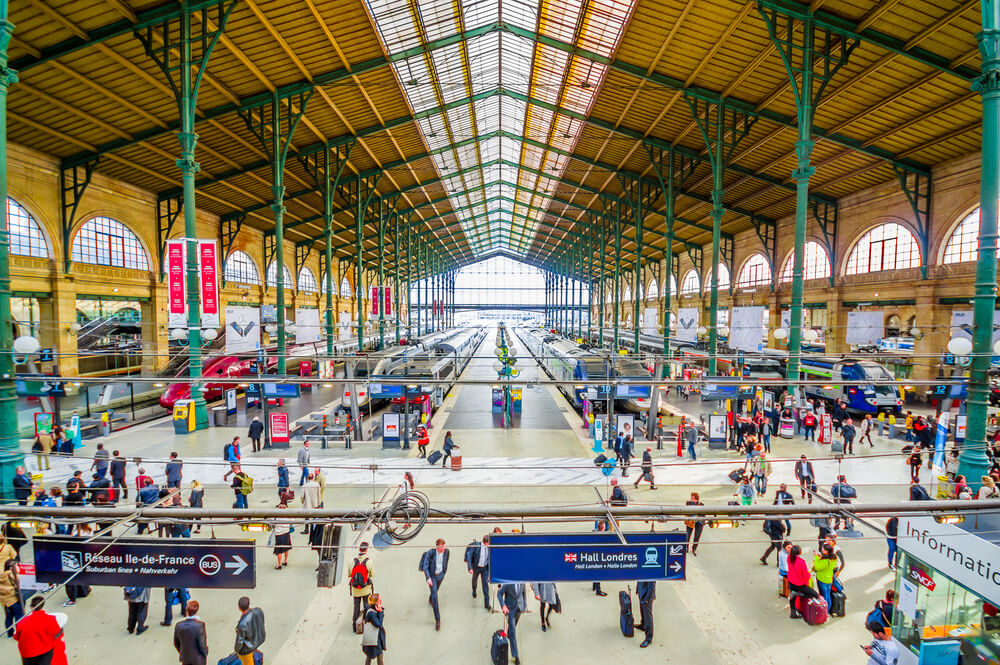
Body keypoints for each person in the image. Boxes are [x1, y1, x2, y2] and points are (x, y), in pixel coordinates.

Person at [14, 596, 62, 665]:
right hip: (46, 650)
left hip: (27, 653)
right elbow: (56, 631)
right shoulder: (50, 619)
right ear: (42, 606)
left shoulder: (22, 622)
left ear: (31, 607)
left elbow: (16, 637)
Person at [420, 538, 450, 631]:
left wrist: (444, 572)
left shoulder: (447, 552)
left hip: (440, 575)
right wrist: (428, 578)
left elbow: (445, 562)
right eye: (441, 547)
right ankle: (438, 620)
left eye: (444, 546)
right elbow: (425, 566)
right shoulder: (431, 553)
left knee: (435, 591)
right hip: (432, 577)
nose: (443, 549)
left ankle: (430, 599)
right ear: (437, 547)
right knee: (435, 597)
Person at [498, 583, 528, 665]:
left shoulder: (522, 581)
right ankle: (515, 655)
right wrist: (503, 606)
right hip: (510, 609)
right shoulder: (508, 583)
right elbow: (499, 593)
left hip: (519, 608)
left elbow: (523, 593)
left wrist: (524, 604)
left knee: (513, 627)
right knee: (513, 632)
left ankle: (510, 632)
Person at [786, 545, 819, 619]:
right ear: (800, 552)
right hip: (800, 583)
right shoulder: (801, 562)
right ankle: (797, 594)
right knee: (814, 594)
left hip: (791, 580)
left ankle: (793, 613)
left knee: (792, 599)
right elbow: (806, 576)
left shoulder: (789, 558)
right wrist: (809, 573)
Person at [173, 600, 208, 665]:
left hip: (185, 657)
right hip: (198, 659)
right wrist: (205, 652)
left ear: (186, 611)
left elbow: (176, 643)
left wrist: (182, 652)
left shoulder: (179, 625)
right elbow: (202, 644)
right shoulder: (200, 625)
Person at [234, 597, 266, 665]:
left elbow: (239, 642)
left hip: (247, 649)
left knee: (247, 662)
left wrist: (236, 650)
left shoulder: (242, 624)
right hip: (258, 640)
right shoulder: (258, 610)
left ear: (239, 607)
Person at [349, 543, 374, 627]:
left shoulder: (352, 561)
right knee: (366, 605)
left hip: (355, 589)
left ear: (359, 549)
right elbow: (372, 574)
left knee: (356, 606)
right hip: (365, 588)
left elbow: (349, 574)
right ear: (366, 550)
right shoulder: (369, 561)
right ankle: (366, 623)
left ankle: (354, 624)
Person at [465, 534, 491, 610]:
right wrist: (470, 568)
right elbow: (469, 556)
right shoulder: (477, 546)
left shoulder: (489, 548)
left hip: (485, 568)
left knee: (485, 585)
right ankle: (474, 590)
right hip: (476, 567)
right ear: (486, 542)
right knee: (474, 580)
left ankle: (487, 604)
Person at [361, 593, 386, 665]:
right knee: (379, 655)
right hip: (375, 638)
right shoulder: (372, 613)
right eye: (379, 600)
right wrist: (380, 613)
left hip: (372, 638)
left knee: (370, 656)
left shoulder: (370, 609)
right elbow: (379, 624)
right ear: (375, 602)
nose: (381, 601)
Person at [1, 559, 23, 638]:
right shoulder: (12, 575)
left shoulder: (2, 575)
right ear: (11, 567)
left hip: (5, 601)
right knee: (19, 617)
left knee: (9, 617)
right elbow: (19, 584)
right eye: (16, 565)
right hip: (14, 599)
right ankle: (19, 633)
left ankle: (10, 633)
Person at [812, 543, 838, 608]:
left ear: (826, 551)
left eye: (823, 549)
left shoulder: (826, 561)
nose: (822, 549)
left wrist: (816, 557)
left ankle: (825, 610)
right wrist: (821, 557)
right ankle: (828, 609)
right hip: (829, 579)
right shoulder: (834, 557)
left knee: (823, 596)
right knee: (828, 595)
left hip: (822, 579)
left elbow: (817, 567)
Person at [634, 580, 655, 648]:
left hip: (646, 596)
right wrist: (638, 589)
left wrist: (648, 598)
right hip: (641, 592)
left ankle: (648, 639)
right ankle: (643, 625)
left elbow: (652, 585)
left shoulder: (651, 569)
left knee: (648, 616)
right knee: (642, 610)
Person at [272, 504, 292, 569]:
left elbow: (272, 522)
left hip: (279, 534)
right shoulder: (288, 514)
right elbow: (293, 520)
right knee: (286, 548)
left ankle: (279, 564)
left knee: (279, 550)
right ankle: (285, 561)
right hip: (286, 532)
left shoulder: (276, 514)